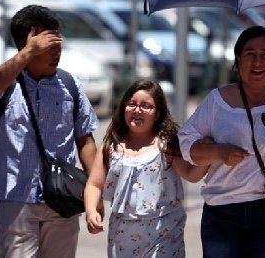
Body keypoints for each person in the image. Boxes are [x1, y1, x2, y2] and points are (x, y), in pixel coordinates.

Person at [178, 26, 265, 257]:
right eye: (250, 54)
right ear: (238, 59)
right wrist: (218, 153)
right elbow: (185, 145)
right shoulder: (216, 101)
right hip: (222, 214)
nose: (257, 62)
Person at [0, 4, 99, 257]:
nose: (57, 54)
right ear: (27, 46)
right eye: (49, 47)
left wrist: (95, 188)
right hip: (17, 198)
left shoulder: (69, 85)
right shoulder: (4, 83)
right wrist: (29, 51)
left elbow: (85, 140)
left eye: (59, 46)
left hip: (63, 199)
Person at [84, 79, 208, 257]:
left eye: (146, 106)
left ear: (157, 114)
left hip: (165, 232)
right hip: (122, 235)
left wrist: (210, 156)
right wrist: (91, 211)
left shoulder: (166, 144)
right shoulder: (111, 145)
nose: (137, 110)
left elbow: (190, 173)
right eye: (132, 104)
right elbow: (94, 184)